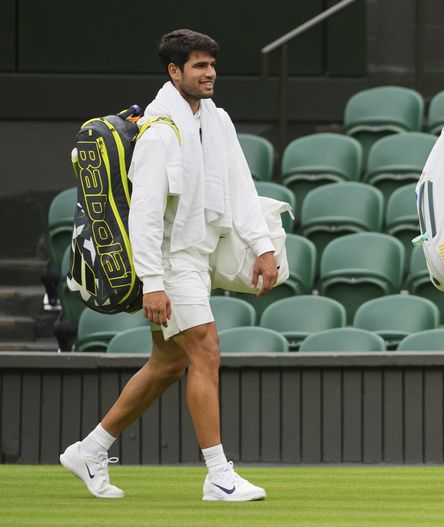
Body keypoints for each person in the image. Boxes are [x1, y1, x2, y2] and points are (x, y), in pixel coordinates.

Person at [59, 29, 276, 502]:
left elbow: (241, 183)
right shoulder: (159, 132)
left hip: (196, 259)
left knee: (166, 364)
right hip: (171, 263)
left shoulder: (217, 120)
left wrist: (263, 246)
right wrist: (152, 284)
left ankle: (90, 450)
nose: (210, 73)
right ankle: (219, 475)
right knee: (206, 351)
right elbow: (146, 215)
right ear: (174, 71)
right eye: (199, 66)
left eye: (212, 64)